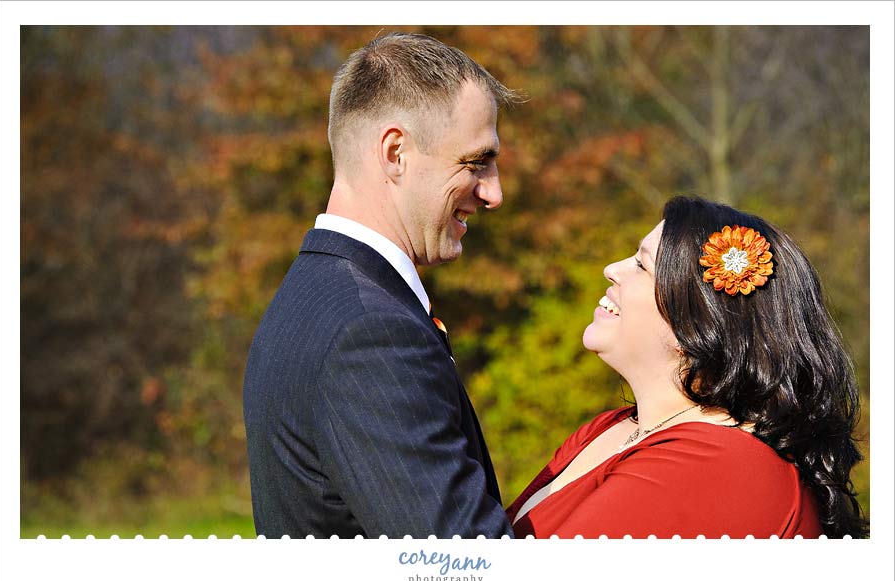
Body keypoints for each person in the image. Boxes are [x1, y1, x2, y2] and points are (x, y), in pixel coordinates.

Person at [243, 32, 520, 539]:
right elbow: (465, 568)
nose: (494, 192)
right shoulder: (370, 333)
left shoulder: (314, 292)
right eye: (476, 161)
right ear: (395, 153)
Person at [507, 195, 868, 539]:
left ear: (697, 323)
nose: (611, 269)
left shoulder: (720, 463)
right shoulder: (607, 429)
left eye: (641, 265)